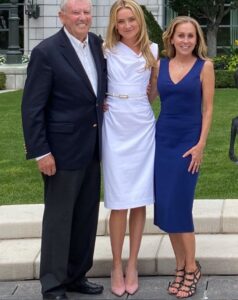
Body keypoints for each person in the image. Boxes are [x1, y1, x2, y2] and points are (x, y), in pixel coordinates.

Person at [21, 0, 107, 299]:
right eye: (76, 13)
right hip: (60, 152)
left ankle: (76, 275)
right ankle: (54, 284)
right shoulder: (46, 52)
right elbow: (32, 107)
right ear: (62, 17)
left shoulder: (96, 44)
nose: (82, 17)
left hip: (93, 148)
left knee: (85, 216)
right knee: (59, 220)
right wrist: (41, 151)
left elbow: (96, 90)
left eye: (86, 12)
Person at [152, 16, 214, 298]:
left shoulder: (205, 67)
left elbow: (208, 109)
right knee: (165, 208)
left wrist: (201, 144)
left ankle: (191, 268)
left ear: (196, 40)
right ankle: (180, 266)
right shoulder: (159, 65)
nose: (186, 41)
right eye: (181, 36)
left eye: (191, 36)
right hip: (161, 142)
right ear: (172, 38)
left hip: (188, 145)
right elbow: (147, 97)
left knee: (180, 208)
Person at [102, 0, 158, 296]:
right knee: (118, 199)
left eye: (131, 20)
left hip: (142, 125)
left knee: (139, 199)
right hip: (114, 125)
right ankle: (115, 264)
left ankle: (132, 263)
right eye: (121, 21)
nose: (126, 26)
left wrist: (136, 105)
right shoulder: (105, 50)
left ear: (140, 21)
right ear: (114, 23)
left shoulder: (154, 51)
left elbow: (152, 91)